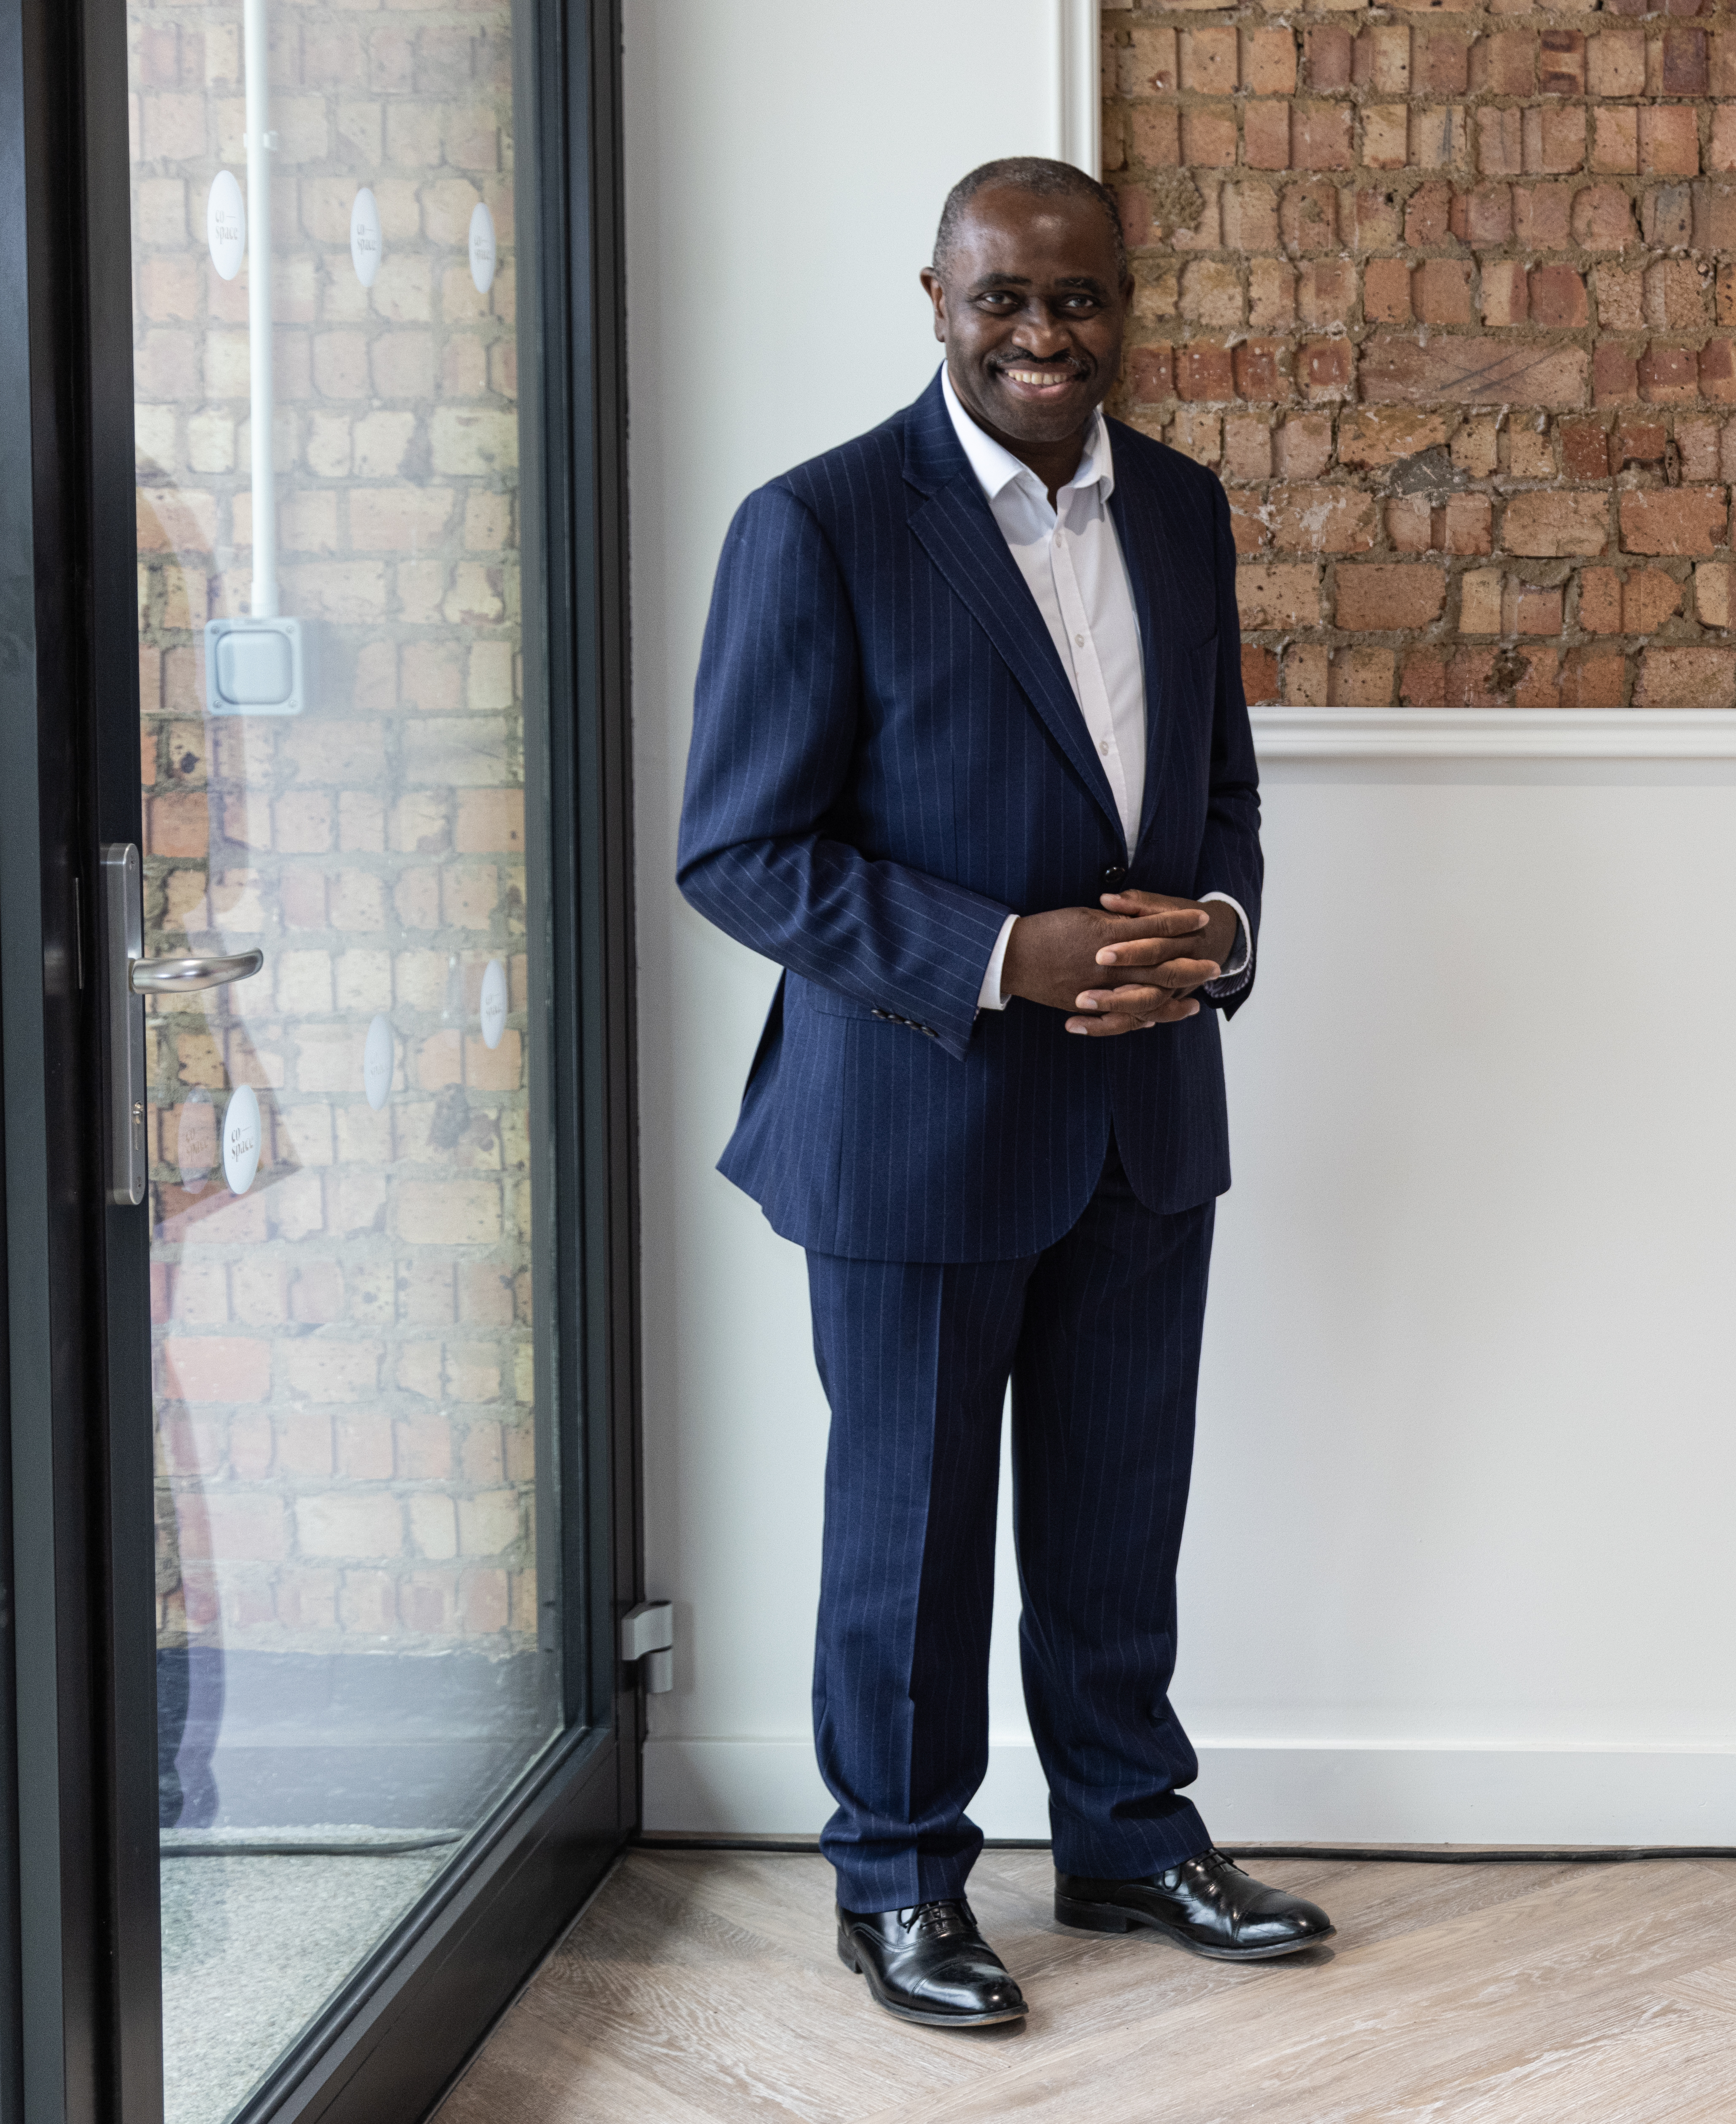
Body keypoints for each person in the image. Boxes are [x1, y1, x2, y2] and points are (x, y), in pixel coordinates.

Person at [677, 156, 1332, 2031]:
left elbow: (1224, 795)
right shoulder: (817, 524)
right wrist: (1003, 953)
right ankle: (895, 1877)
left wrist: (1216, 923)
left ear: (1128, 301)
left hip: (1147, 1109)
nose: (1046, 336)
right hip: (912, 1118)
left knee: (1122, 1512)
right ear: (937, 299)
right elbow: (738, 851)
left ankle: (1127, 1835)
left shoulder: (1188, 511)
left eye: (1082, 299)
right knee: (912, 1525)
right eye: (1005, 302)